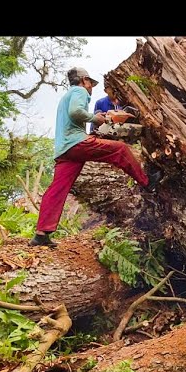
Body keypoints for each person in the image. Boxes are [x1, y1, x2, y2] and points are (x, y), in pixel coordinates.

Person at [29, 67, 161, 247]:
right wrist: (94, 118)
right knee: (120, 149)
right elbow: (76, 112)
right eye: (90, 82)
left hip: (64, 150)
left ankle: (41, 234)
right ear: (83, 80)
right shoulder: (79, 91)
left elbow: (73, 116)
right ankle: (147, 182)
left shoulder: (66, 97)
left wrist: (98, 118)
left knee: (57, 189)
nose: (91, 87)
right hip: (75, 143)